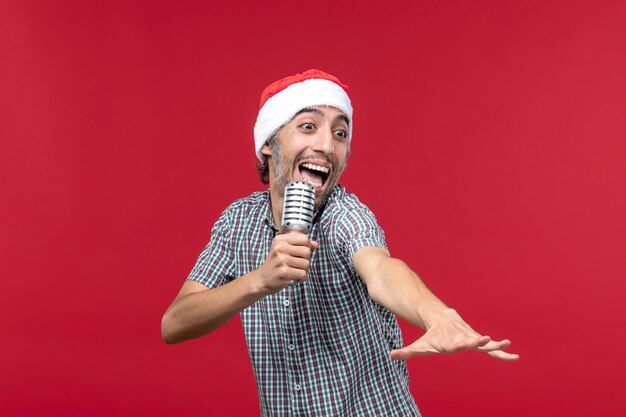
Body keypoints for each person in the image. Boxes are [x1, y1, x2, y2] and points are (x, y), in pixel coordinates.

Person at [161, 69, 519, 416]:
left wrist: (435, 314)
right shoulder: (237, 223)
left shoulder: (344, 214)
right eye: (308, 127)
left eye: (340, 133)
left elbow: (381, 268)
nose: (327, 145)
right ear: (269, 143)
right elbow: (174, 324)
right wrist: (258, 281)